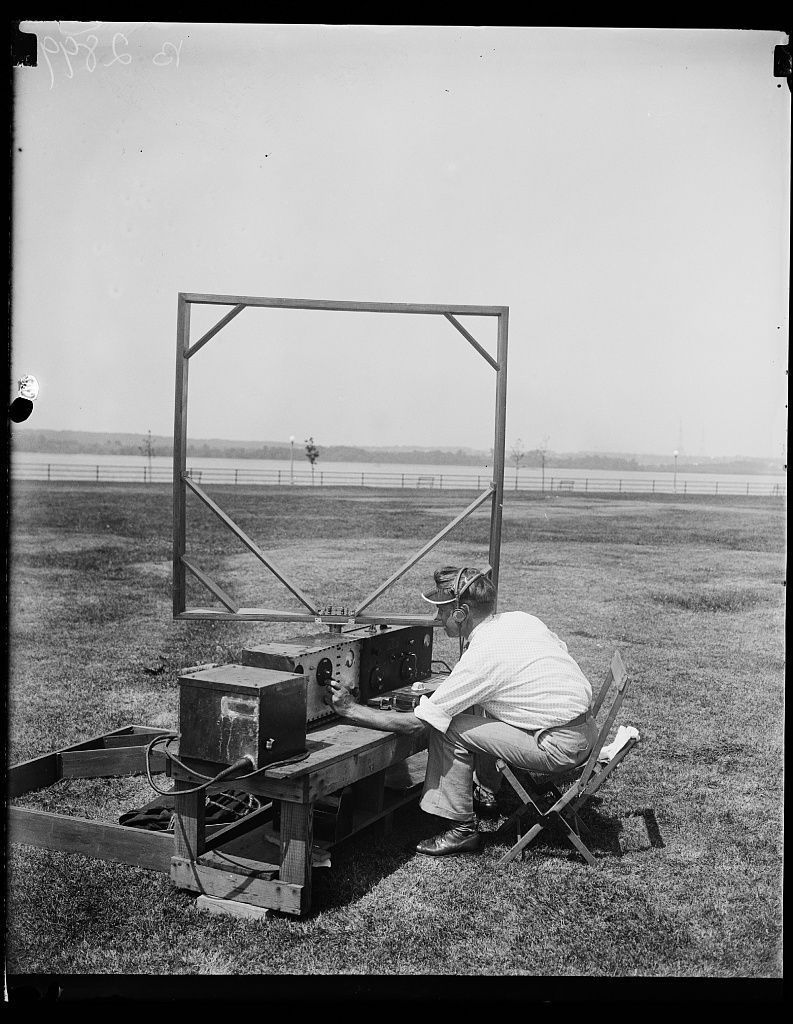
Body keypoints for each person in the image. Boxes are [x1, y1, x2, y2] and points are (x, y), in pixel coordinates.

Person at [328, 565, 597, 857]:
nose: (436, 618)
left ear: (461, 614)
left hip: (557, 745)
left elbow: (418, 724)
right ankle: (487, 792)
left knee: (448, 729)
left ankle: (462, 830)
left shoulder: (483, 656)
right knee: (480, 705)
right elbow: (558, 649)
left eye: (442, 610)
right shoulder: (520, 619)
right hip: (584, 729)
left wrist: (351, 709)